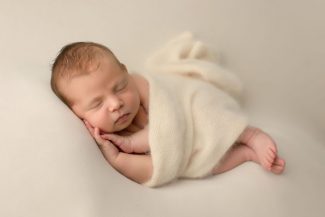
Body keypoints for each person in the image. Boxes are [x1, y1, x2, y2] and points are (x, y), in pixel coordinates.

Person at [51, 42, 285, 185]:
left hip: (189, 112)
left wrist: (132, 142)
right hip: (183, 149)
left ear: (126, 73)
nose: (115, 103)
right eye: (96, 104)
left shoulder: (140, 84)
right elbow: (155, 169)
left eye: (120, 86)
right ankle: (245, 155)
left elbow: (170, 113)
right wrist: (118, 159)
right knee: (198, 167)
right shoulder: (105, 139)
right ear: (77, 113)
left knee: (211, 118)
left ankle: (249, 135)